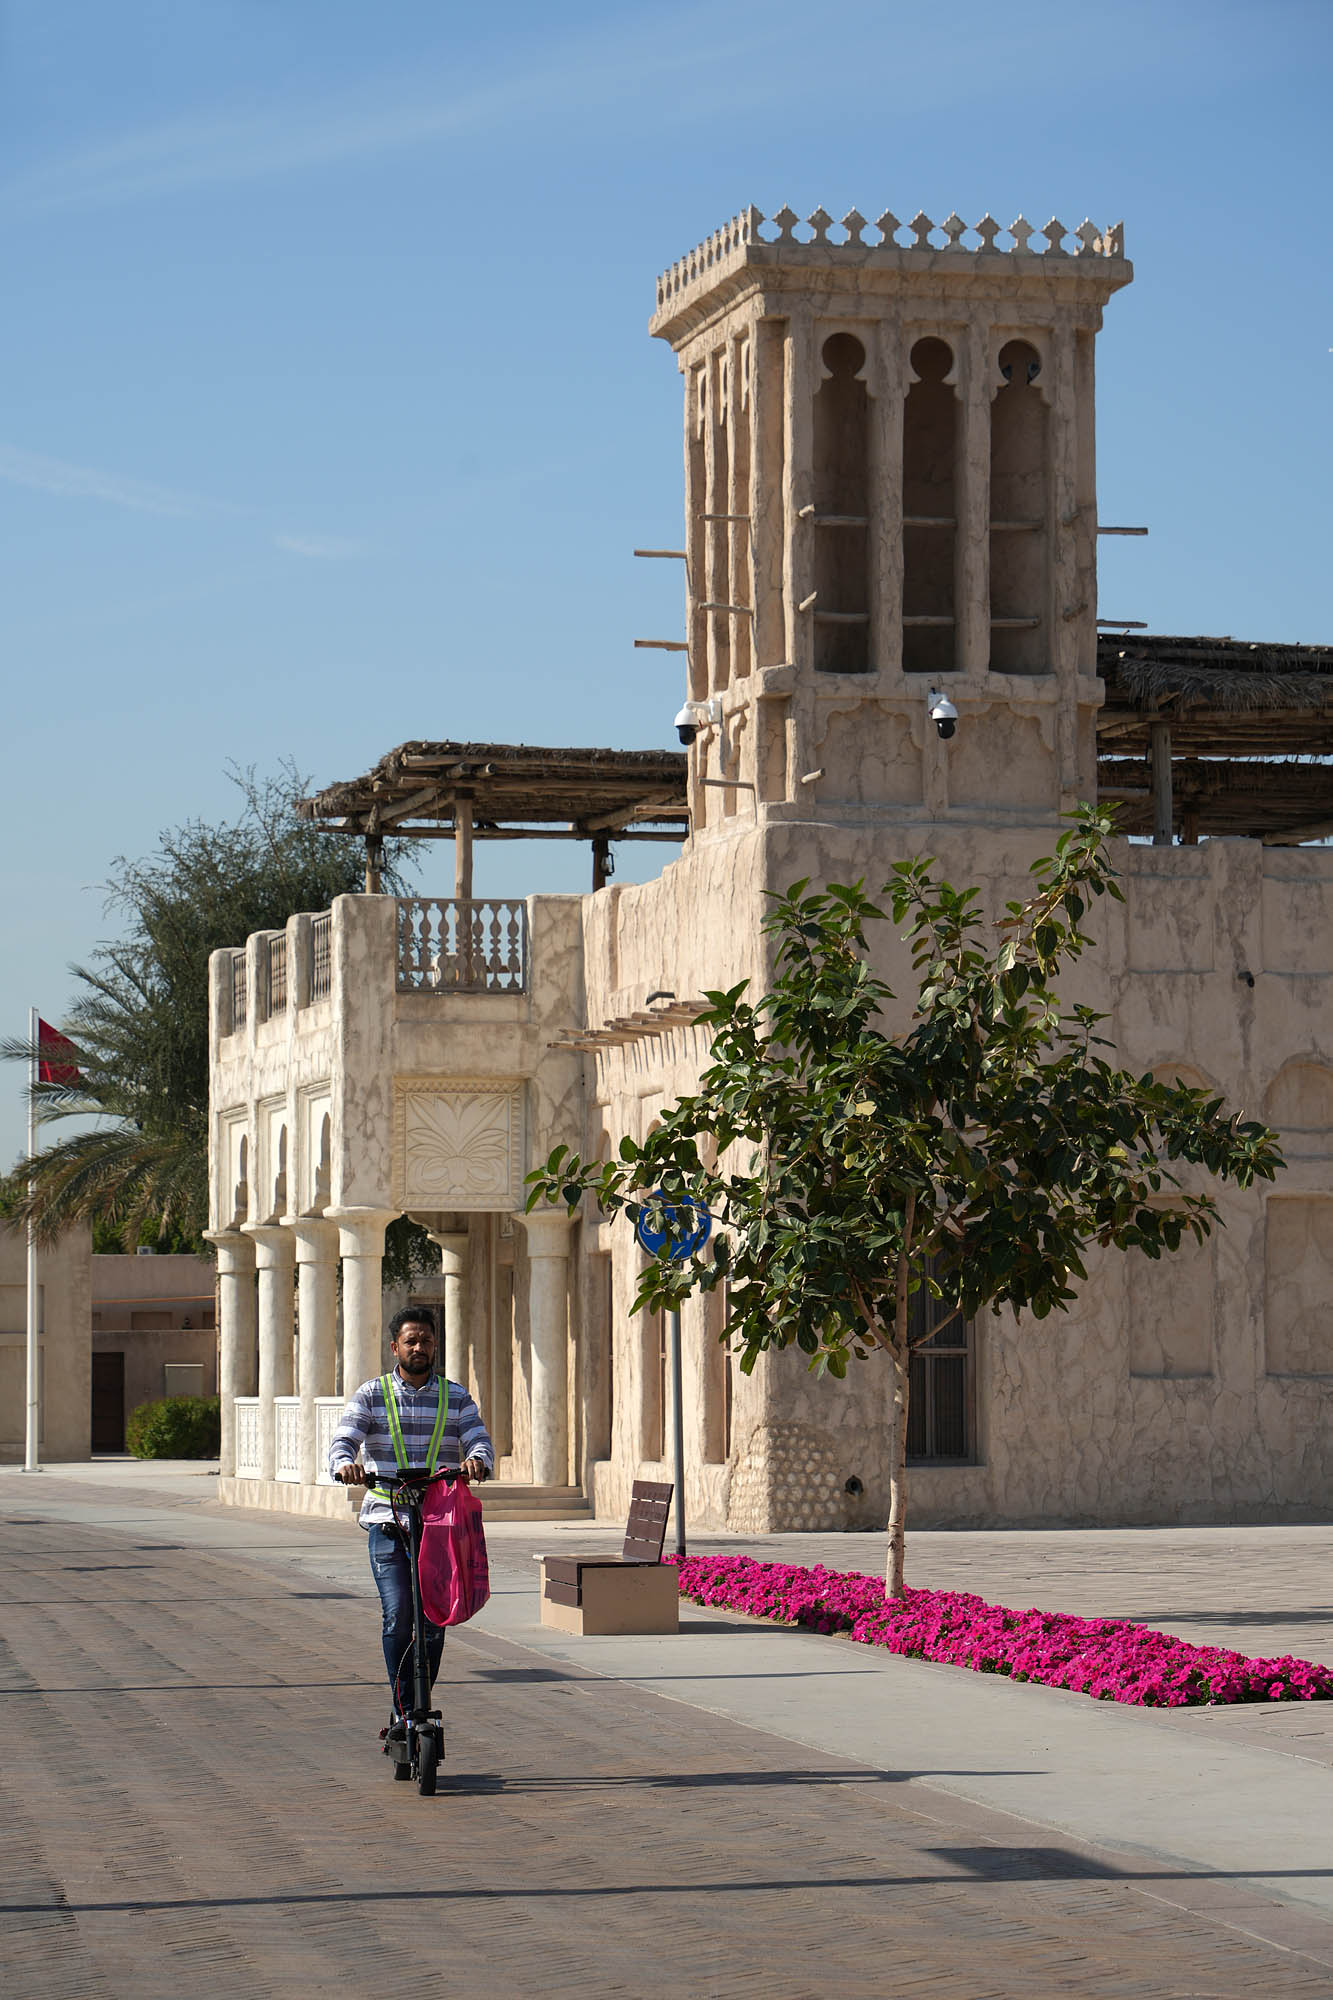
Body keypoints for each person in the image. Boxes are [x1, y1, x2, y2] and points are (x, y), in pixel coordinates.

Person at [328, 1305, 494, 1740]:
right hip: (388, 1521)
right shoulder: (371, 1395)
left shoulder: (455, 1396)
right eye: (411, 1341)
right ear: (395, 1346)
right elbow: (344, 1440)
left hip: (439, 1526)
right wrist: (346, 1463)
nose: (420, 1348)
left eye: (426, 1340)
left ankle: (421, 1700)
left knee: (435, 1620)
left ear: (435, 1345)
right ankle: (404, 1710)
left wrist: (478, 1459)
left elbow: (478, 1438)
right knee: (399, 1616)